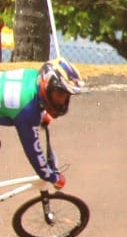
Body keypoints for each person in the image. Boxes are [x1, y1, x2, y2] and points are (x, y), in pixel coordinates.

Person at [0, 59, 85, 190]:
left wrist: (41, 114)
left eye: (66, 95)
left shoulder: (34, 78)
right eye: (60, 94)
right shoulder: (27, 110)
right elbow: (34, 153)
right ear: (47, 87)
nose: (63, 101)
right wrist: (53, 177)